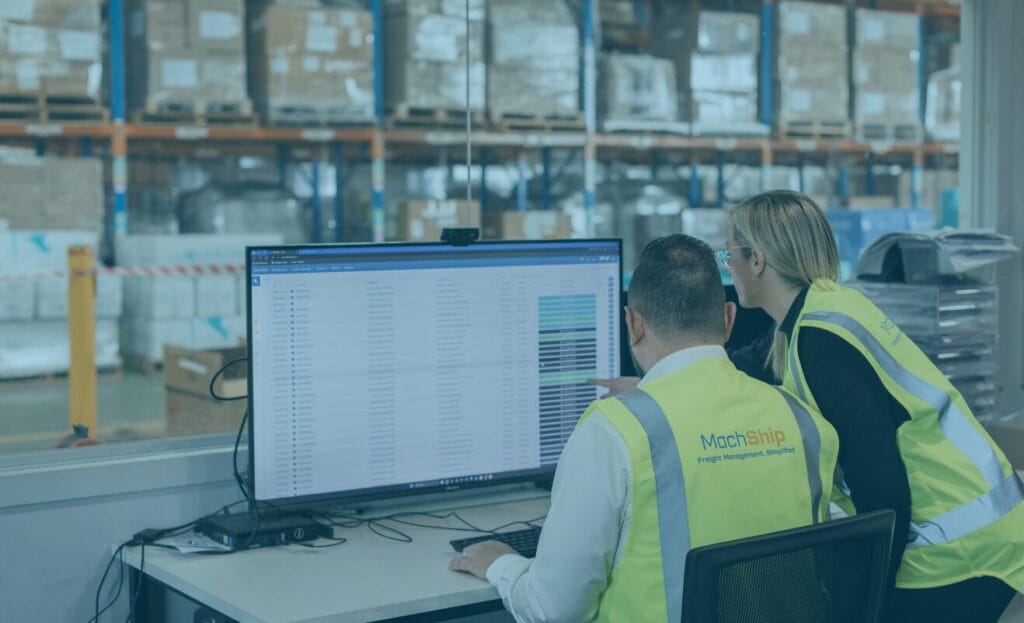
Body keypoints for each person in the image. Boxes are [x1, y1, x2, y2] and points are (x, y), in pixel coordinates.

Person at [450, 234, 840, 622]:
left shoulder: (615, 431)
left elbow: (552, 610)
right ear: (727, 319)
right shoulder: (802, 419)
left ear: (633, 323)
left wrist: (501, 565)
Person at [720, 190, 1024, 622]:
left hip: (958, 556)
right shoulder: (829, 306)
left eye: (727, 253)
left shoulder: (818, 343)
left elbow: (884, 493)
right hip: (993, 533)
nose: (726, 266)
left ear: (758, 259)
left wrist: (865, 605)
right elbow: (756, 358)